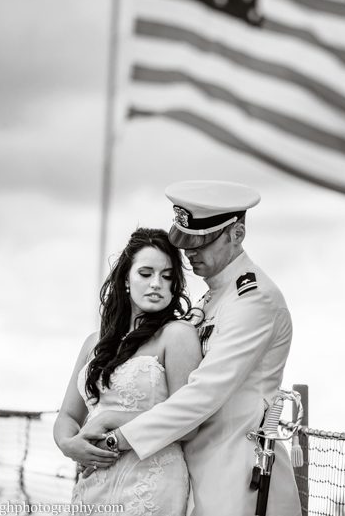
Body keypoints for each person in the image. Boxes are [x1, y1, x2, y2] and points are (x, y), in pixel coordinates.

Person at [78, 181, 301, 515]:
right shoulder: (213, 298)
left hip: (236, 480)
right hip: (194, 476)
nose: (189, 252)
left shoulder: (253, 301)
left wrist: (116, 438)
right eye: (186, 241)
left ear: (236, 234)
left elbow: (201, 396)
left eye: (202, 241)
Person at [54, 228, 202, 515]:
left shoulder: (177, 336)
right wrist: (69, 445)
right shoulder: (94, 342)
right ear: (126, 279)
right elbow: (68, 415)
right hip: (93, 481)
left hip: (150, 482)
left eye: (167, 276)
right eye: (146, 273)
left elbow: (189, 422)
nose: (156, 284)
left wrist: (110, 419)